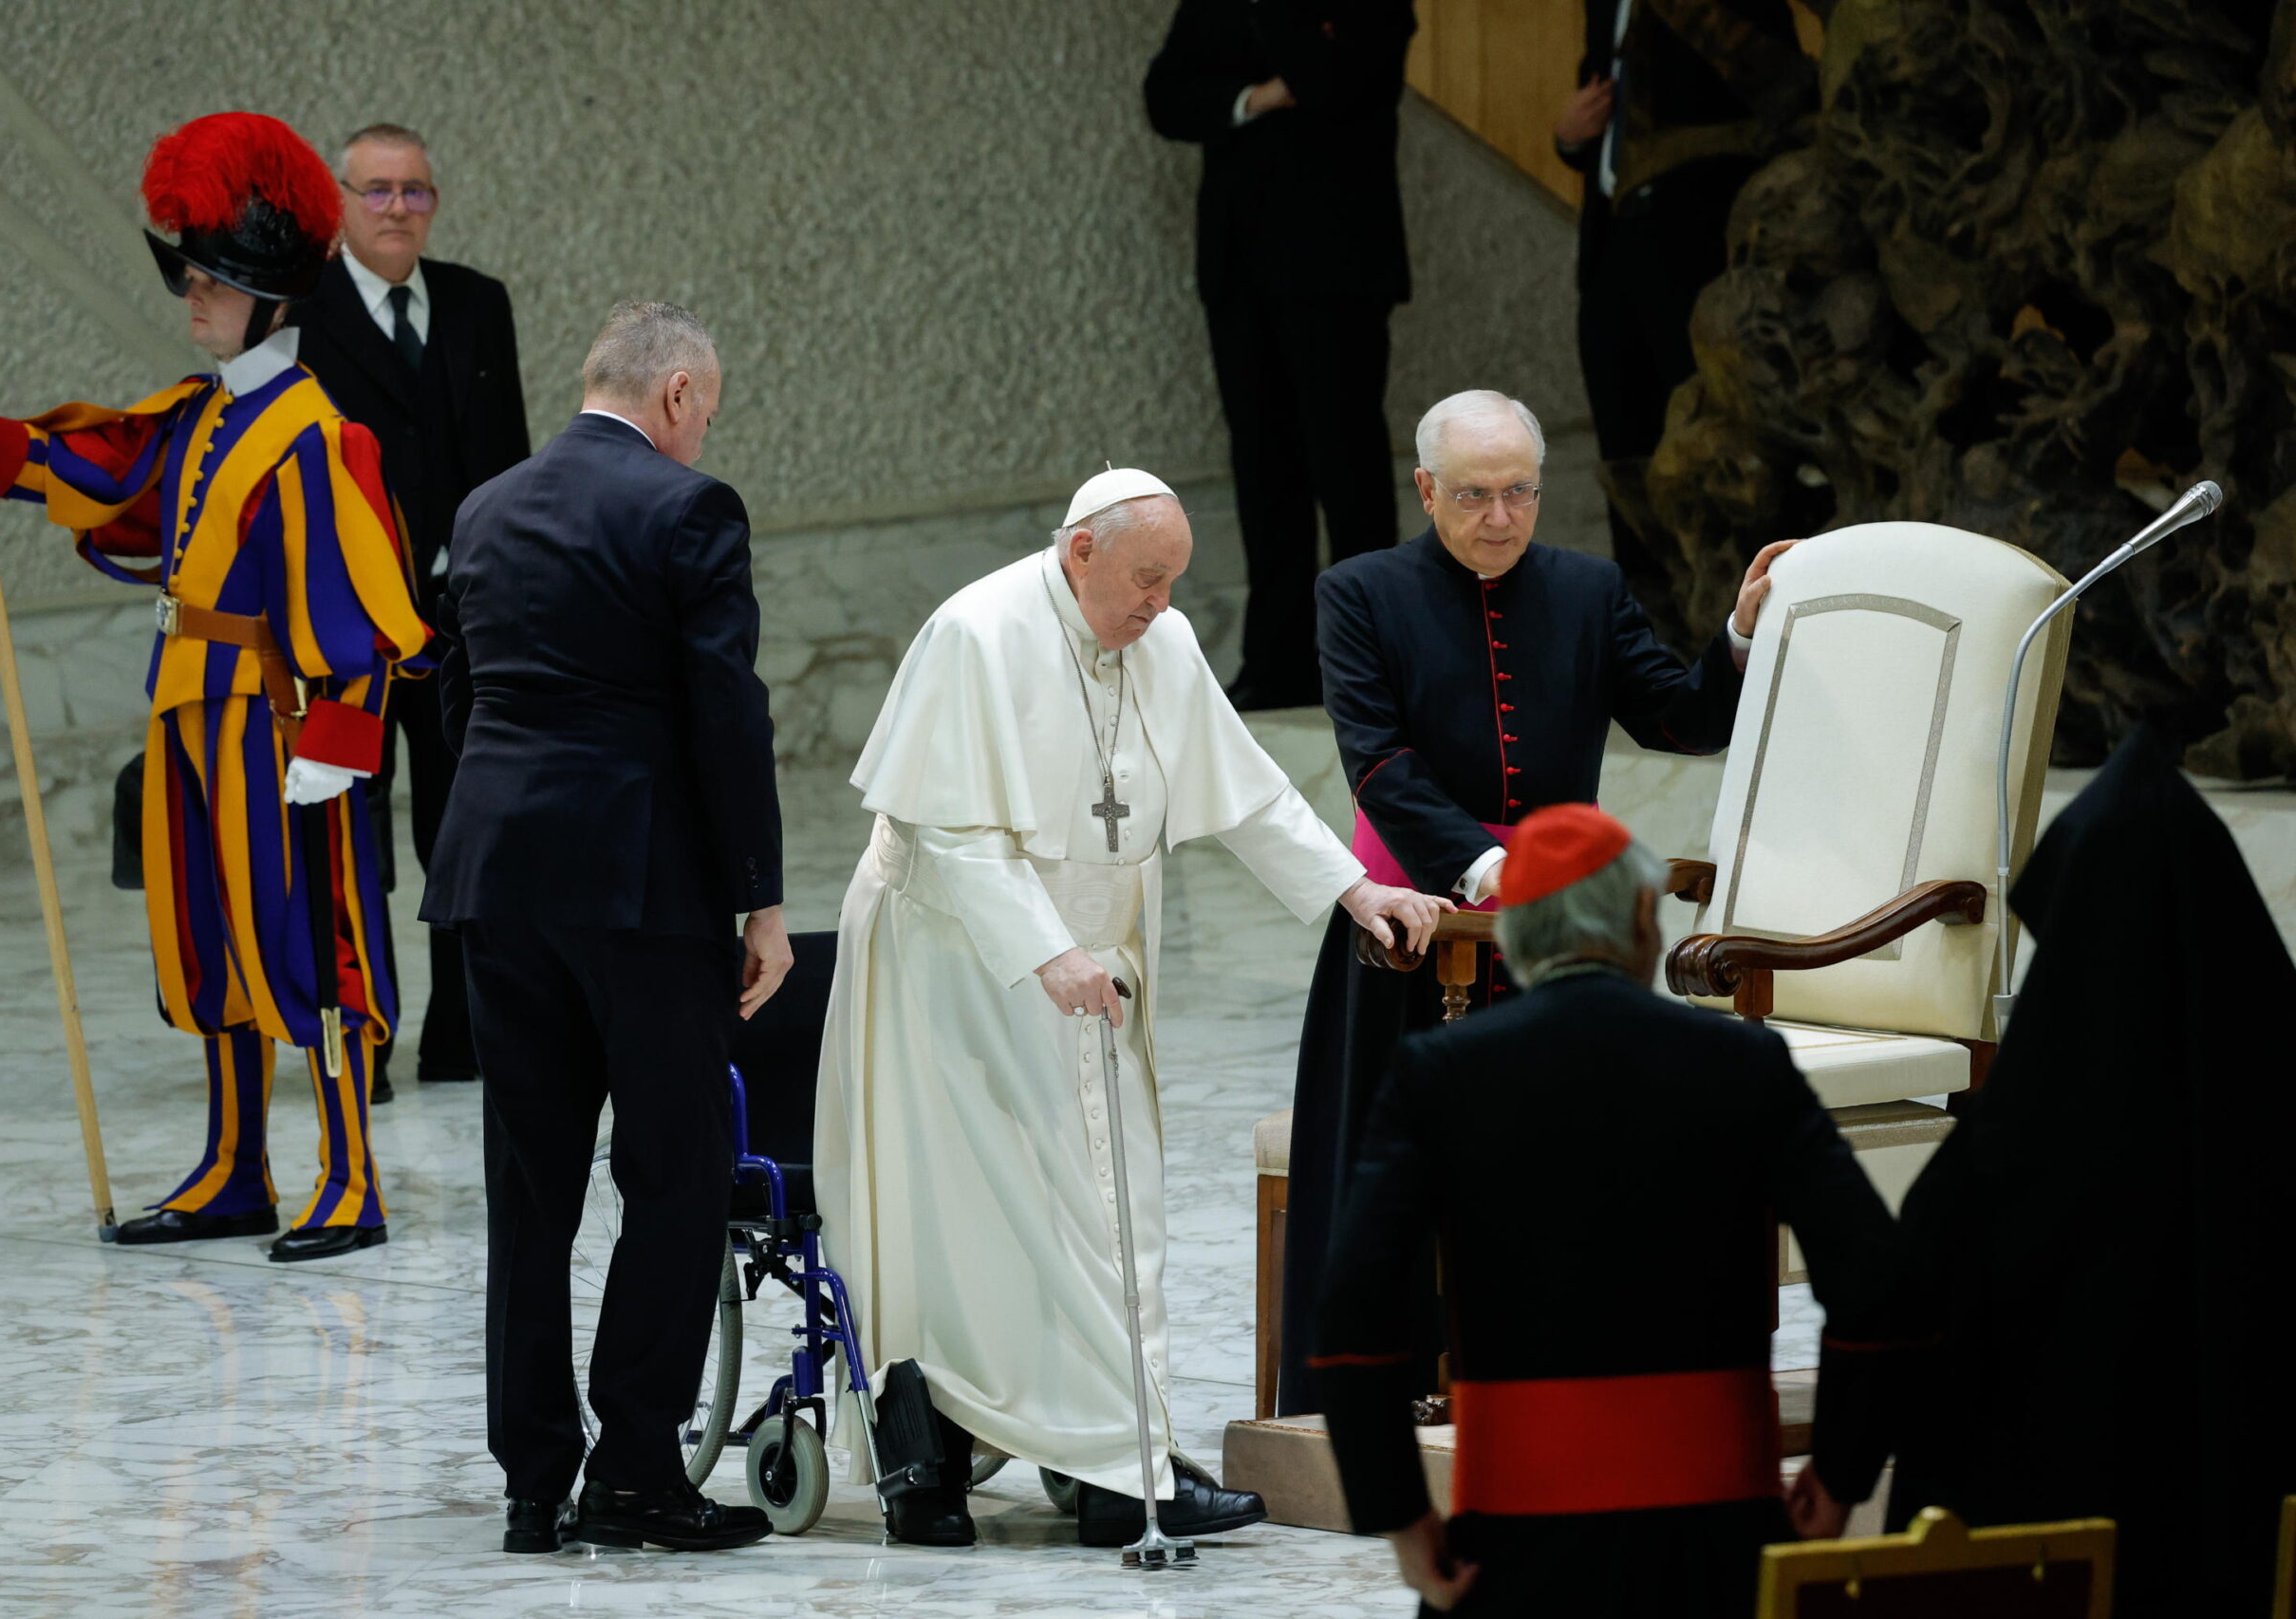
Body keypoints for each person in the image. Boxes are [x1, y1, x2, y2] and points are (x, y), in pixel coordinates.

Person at [814, 467, 1448, 1549]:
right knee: (978, 1212)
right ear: (1080, 552)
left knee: (1110, 1208)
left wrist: (1355, 888)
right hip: (962, 962)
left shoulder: (1155, 638)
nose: (1162, 604)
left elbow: (1246, 790)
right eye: (1147, 579)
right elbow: (948, 833)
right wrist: (1046, 946)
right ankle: (969, 1447)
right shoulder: (978, 634)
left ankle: (1115, 1460)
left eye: (1174, 581)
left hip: (1088, 961)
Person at [0, 111, 428, 1262]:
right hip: (188, 711)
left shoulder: (318, 435)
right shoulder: (203, 413)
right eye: (191, 274)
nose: (192, 296)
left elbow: (366, 614)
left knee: (312, 942)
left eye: (211, 279)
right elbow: (113, 474)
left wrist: (337, 744)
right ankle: (233, 1167)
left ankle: (347, 1176)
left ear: (266, 297)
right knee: (205, 940)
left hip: (281, 725)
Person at [1278, 388, 1794, 1414]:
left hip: (1567, 938)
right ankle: (1400, 1372)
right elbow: (1377, 761)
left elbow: (1677, 718)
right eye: (1474, 494)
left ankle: (1552, 1366)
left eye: (1520, 491)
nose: (1501, 517)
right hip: (1412, 922)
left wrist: (1735, 637)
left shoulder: (1587, 587)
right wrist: (1485, 872)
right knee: (1402, 1158)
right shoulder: (1359, 592)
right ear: (1425, 489)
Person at [1316, 805, 1905, 1618]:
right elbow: (1877, 1284)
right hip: (1718, 1537)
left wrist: (1402, 1519)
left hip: (1513, 1544)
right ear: (1640, 919)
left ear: (1515, 936)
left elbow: (1352, 1313)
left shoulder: (1444, 1073)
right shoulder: (1743, 1062)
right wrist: (1841, 1474)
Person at [420, 302, 788, 1555]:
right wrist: (763, 896)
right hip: (640, 885)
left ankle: (533, 1480)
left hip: (497, 877)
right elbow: (725, 708)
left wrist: (511, 820)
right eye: (708, 412)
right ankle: (635, 1468)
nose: (703, 435)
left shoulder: (483, 508)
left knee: (529, 1189)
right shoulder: (690, 509)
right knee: (674, 1174)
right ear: (679, 392)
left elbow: (460, 694)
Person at [1891, 728, 2296, 1616]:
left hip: (2047, 1566)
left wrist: (1843, 1464)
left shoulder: (2011, 1144)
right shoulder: (2277, 1110)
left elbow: (1908, 1311)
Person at [292, 121, 530, 1103]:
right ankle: (363, 1036)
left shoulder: (477, 303)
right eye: (378, 191)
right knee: (349, 835)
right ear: (340, 201)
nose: (397, 209)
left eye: (415, 191)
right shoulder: (297, 311)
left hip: (456, 621)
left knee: (462, 827)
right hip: (342, 627)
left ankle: (459, 1033)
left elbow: (509, 460)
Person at [1145, 0, 1417, 711]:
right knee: (1263, 469)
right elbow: (1165, 96)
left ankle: (1370, 665)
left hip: (1336, 268)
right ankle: (1276, 662)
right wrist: (1255, 96)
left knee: (1346, 465)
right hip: (1241, 270)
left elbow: (1332, 82)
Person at [1555, 0, 1815, 641]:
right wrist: (1568, 140)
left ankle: (1733, 635)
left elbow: (1778, 86)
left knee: (1704, 434)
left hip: (1695, 236)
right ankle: (1649, 643)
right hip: (1612, 236)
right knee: (1624, 440)